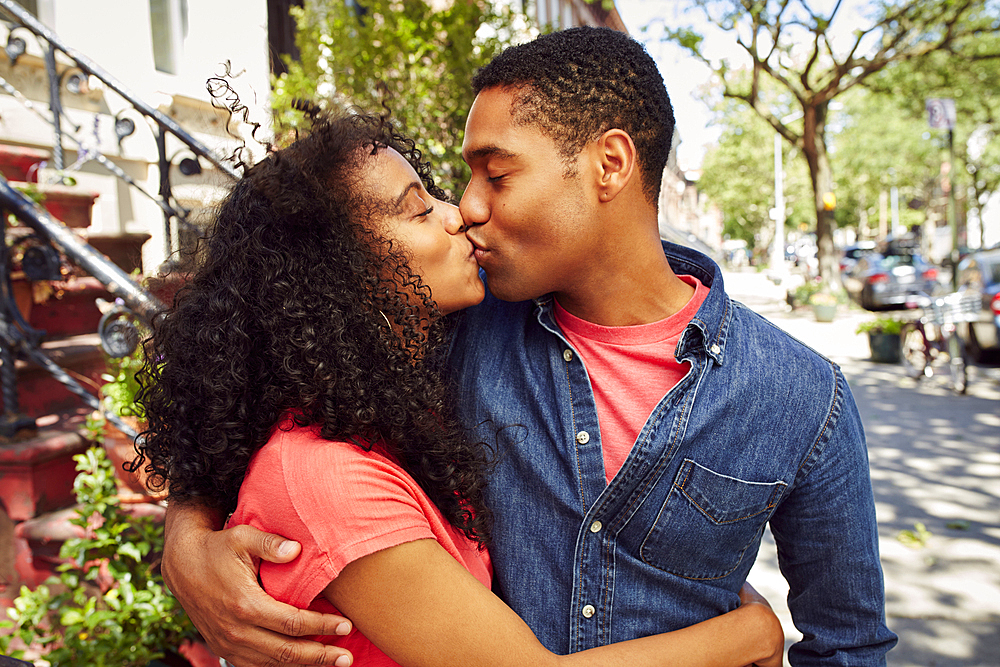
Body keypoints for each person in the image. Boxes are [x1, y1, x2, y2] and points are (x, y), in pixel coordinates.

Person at [160, 27, 897, 666]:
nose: (467, 206)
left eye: (497, 173)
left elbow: (849, 645)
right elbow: (249, 405)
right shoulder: (443, 328)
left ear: (610, 165)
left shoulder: (803, 395)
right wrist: (187, 542)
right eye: (459, 181)